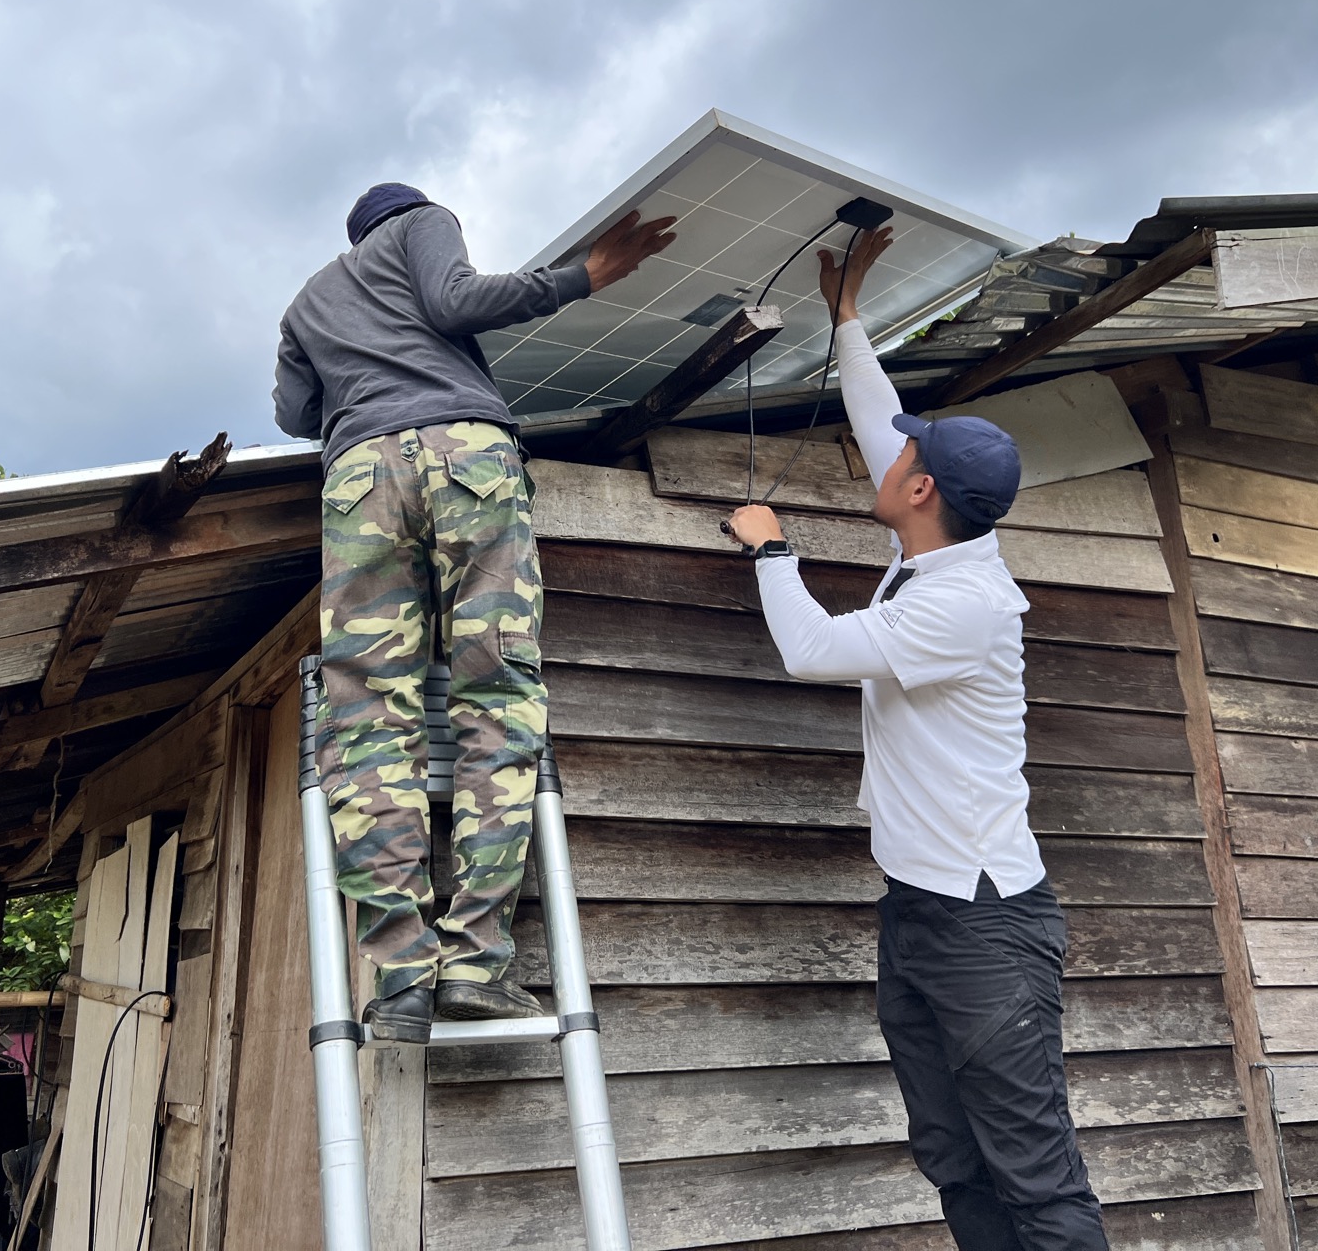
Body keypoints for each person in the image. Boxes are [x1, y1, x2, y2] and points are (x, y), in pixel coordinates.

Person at [724, 227, 1107, 1250]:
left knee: (1034, 1173)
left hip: (984, 928)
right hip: (924, 914)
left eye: (907, 458)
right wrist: (846, 317)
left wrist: (773, 550)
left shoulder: (965, 605)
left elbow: (809, 650)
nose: (889, 454)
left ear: (922, 490)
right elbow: (881, 417)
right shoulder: (941, 545)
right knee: (954, 1155)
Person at [274, 182, 675, 1043]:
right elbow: (456, 301)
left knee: (366, 719)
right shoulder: (423, 223)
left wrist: (356, 369)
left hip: (357, 479)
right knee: (495, 696)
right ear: (402, 218)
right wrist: (586, 276)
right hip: (466, 455)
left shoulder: (308, 299)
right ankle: (476, 959)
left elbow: (294, 413)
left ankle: (404, 976)